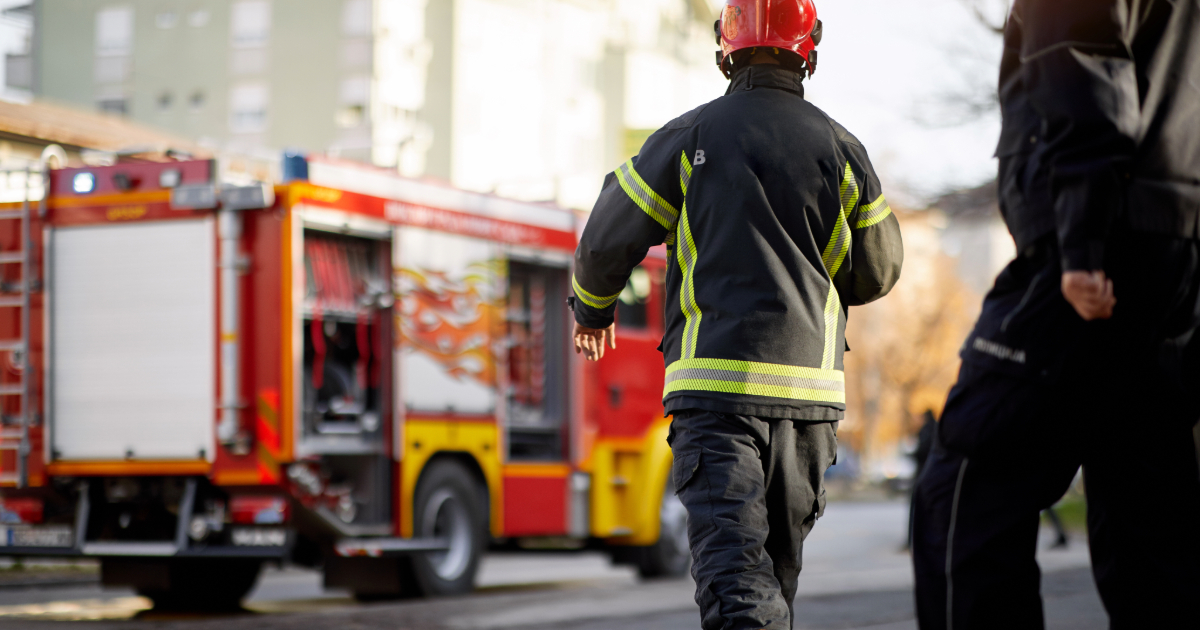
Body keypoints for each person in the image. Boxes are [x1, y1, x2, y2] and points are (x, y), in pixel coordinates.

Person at [570, 2, 903, 628]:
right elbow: (878, 270)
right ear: (810, 48)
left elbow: (607, 233)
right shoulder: (842, 149)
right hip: (809, 408)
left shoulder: (689, 138)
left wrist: (592, 308)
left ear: (725, 47)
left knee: (736, 589)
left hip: (715, 399)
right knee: (772, 583)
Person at [912, 1, 1200, 628]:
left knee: (967, 484)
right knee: (1149, 510)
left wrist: (1083, 241)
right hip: (1173, 249)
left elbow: (1084, 55)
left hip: (1096, 249)